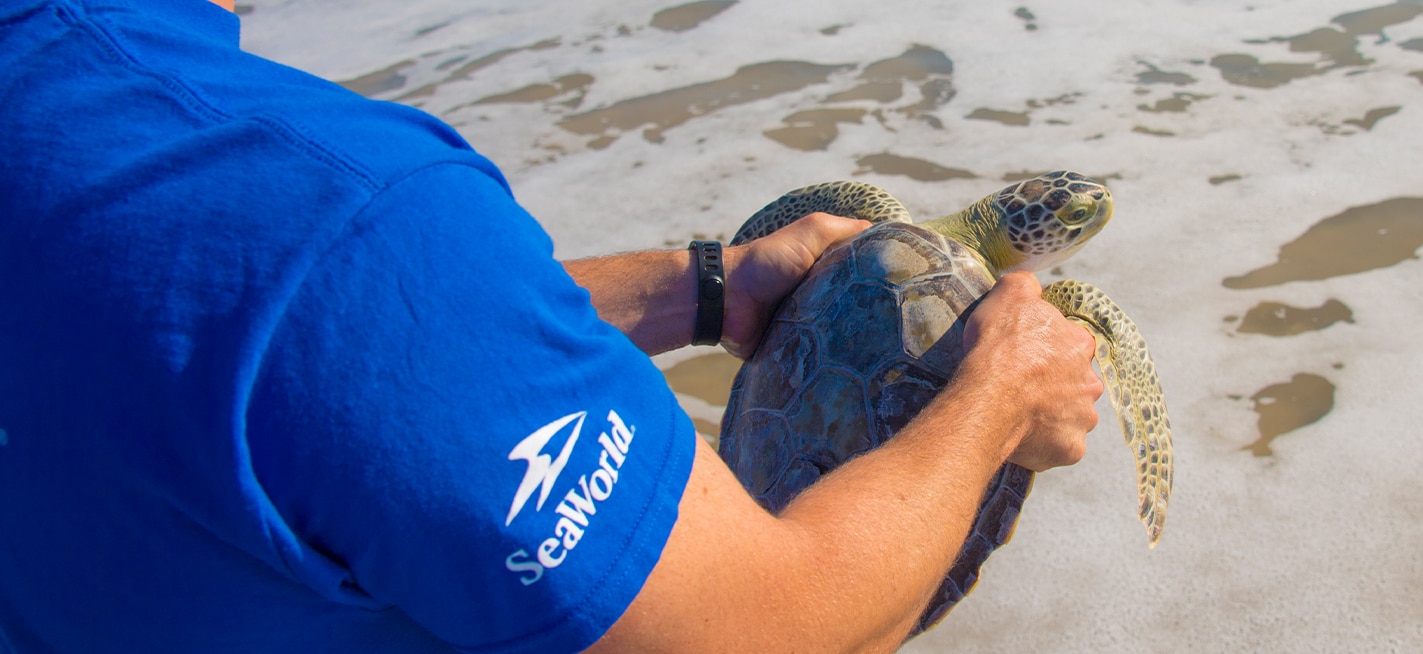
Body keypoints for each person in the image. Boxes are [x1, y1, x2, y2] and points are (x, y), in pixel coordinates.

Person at [0, 0, 1104, 651]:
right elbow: (771, 633)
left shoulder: (76, 136)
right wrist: (1000, 399)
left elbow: (317, 358)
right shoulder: (338, 216)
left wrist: (703, 287)